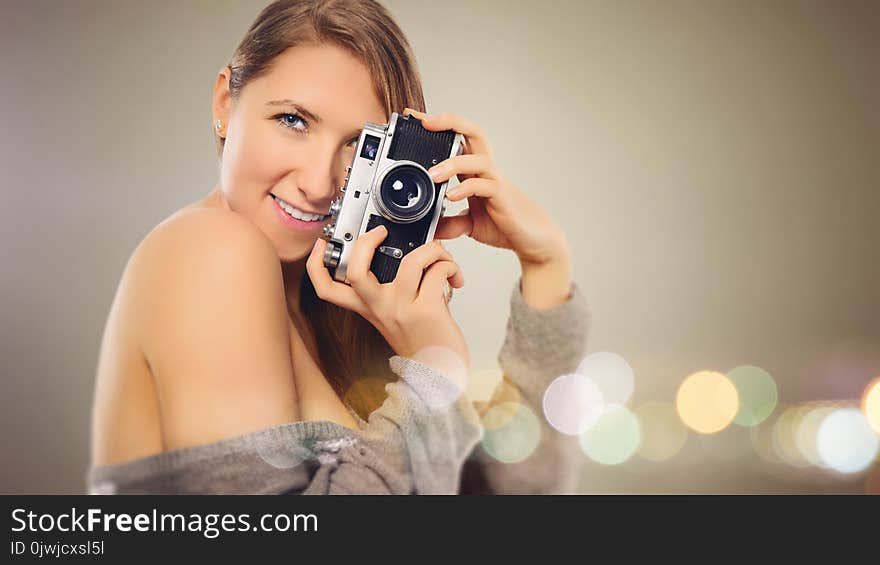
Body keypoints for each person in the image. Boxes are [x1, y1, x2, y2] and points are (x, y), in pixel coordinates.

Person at [87, 0, 590, 494]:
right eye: (293, 120)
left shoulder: (329, 299)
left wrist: (546, 264)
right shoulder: (211, 250)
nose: (319, 182)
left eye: (359, 144)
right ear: (225, 102)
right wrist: (435, 372)